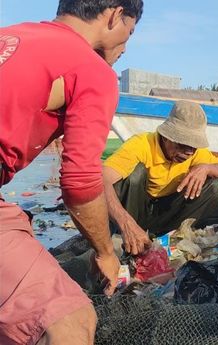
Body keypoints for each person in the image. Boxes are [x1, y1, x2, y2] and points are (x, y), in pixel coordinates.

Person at [0, 0, 143, 344]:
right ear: (113, 15)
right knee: (70, 322)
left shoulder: (12, 35)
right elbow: (80, 181)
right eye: (130, 32)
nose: (126, 47)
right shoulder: (91, 69)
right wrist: (106, 253)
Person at [103, 100, 218, 255]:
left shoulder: (196, 154)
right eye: (182, 145)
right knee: (136, 173)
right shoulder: (140, 145)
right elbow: (101, 182)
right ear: (166, 136)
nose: (188, 152)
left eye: (193, 147)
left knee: (214, 186)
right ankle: (129, 235)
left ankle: (174, 237)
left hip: (167, 213)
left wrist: (206, 168)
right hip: (135, 211)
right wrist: (126, 223)